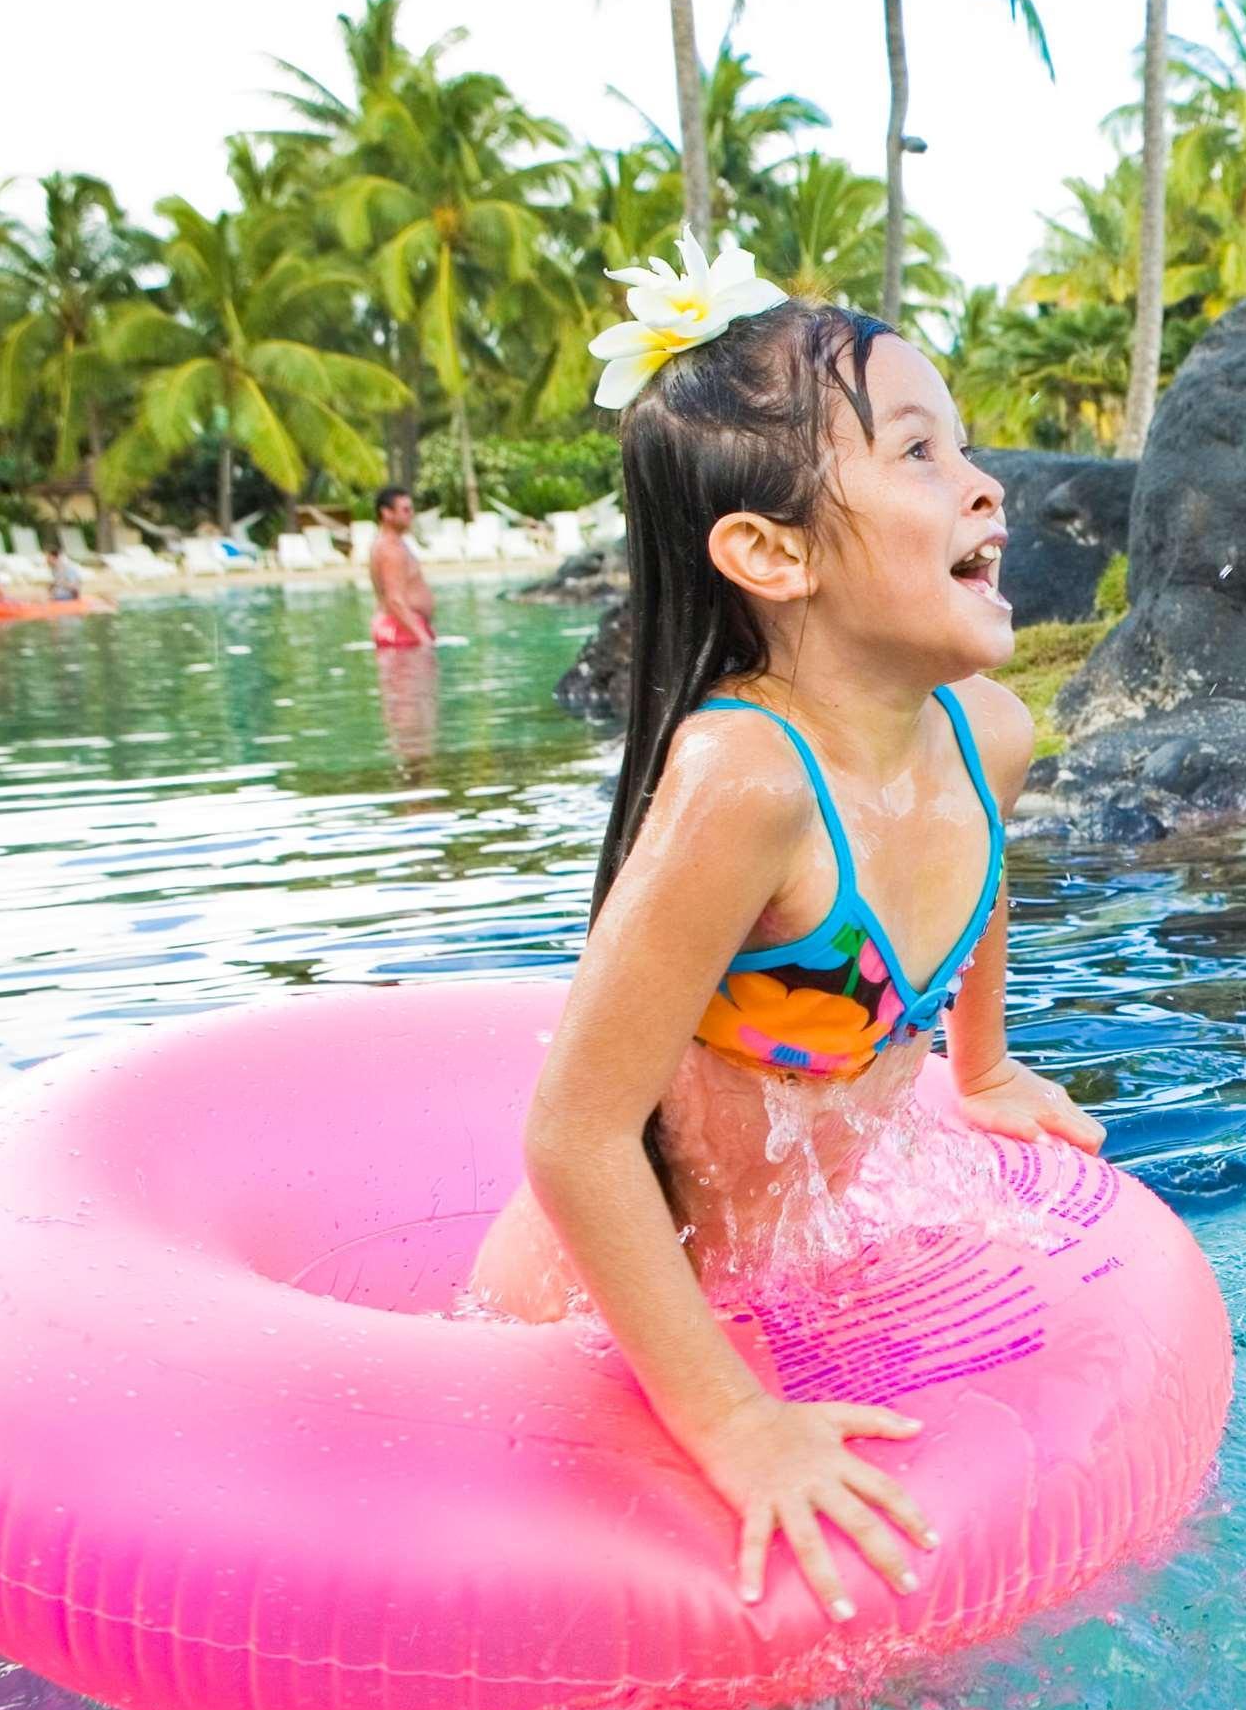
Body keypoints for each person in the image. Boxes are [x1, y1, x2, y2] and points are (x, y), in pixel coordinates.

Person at [465, 248, 1100, 1623]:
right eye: (920, 452)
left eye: (969, 445)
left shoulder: (990, 733)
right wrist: (735, 1425)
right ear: (772, 552)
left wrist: (983, 1068)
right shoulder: (749, 781)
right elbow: (574, 1133)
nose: (986, 483)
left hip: (793, 1284)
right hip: (587, 1322)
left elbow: (977, 897)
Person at [365, 487, 437, 649]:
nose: (411, 514)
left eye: (411, 509)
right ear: (387, 513)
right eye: (405, 510)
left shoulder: (394, 544)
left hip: (405, 628)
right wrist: (422, 636)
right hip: (400, 629)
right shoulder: (390, 549)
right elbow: (394, 599)